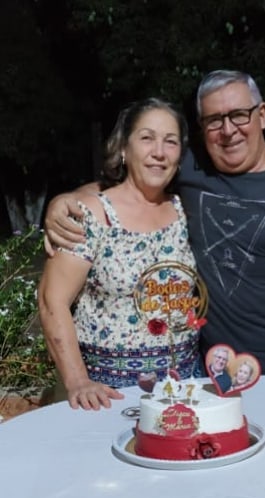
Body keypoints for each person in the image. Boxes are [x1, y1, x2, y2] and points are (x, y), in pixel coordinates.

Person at [43, 70, 265, 377]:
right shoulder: (189, 166)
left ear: (262, 115)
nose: (228, 130)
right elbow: (124, 185)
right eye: (214, 120)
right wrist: (64, 203)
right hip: (211, 378)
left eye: (239, 115)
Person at [38, 97, 200, 411]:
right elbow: (51, 301)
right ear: (124, 148)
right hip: (109, 395)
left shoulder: (183, 209)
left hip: (182, 388)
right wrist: (77, 381)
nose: (159, 152)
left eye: (170, 141)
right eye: (147, 138)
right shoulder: (91, 213)